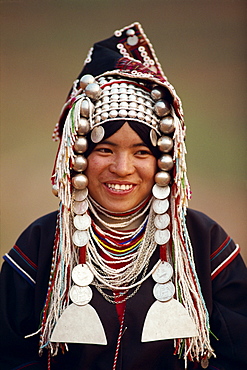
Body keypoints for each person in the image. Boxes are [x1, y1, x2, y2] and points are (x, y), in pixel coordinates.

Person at [0, 22, 246, 370]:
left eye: (142, 152)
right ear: (78, 155)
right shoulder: (42, 242)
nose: (122, 167)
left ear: (166, 159)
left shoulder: (203, 242)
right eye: (104, 149)